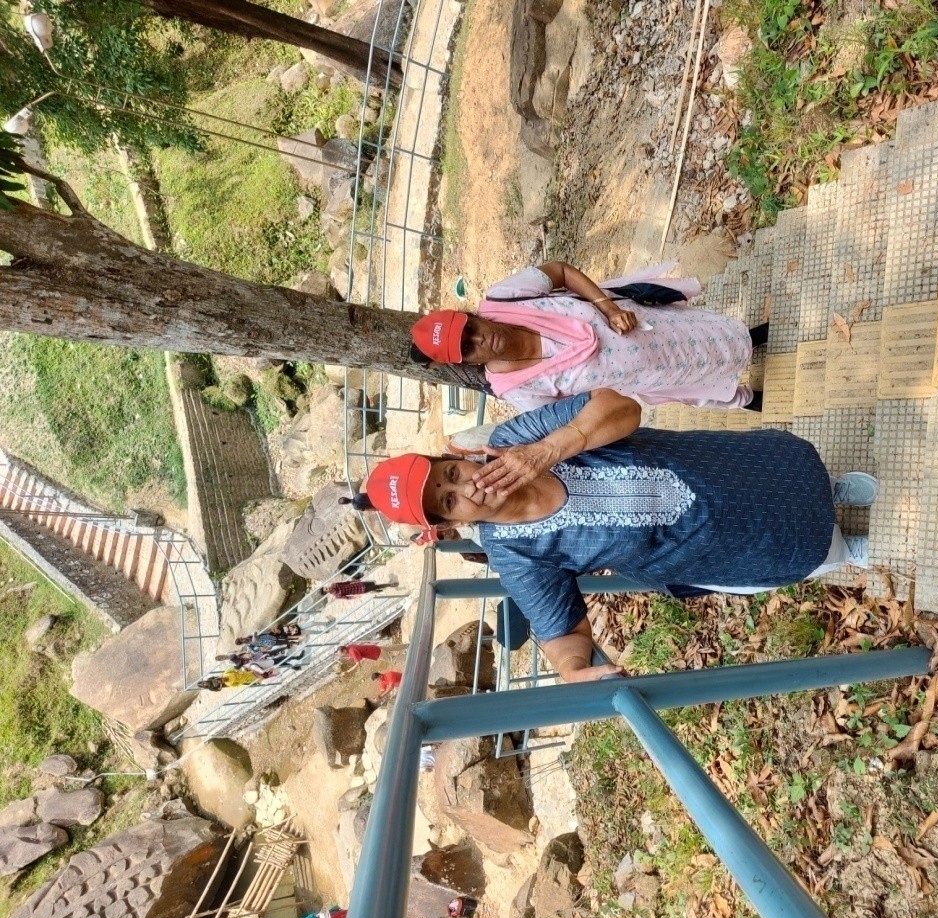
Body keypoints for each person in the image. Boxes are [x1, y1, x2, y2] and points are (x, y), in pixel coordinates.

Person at [356, 388, 878, 683]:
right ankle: (844, 548)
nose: (468, 486)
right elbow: (562, 633)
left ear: (456, 459)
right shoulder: (513, 553)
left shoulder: (515, 439)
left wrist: (548, 449)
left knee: (777, 472)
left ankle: (829, 487)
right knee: (790, 545)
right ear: (449, 523)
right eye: (449, 500)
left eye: (451, 473)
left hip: (708, 463)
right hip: (700, 546)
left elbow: (620, 407)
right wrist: (574, 671)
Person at [409, 261, 769, 412]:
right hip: (647, 375)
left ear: (471, 316)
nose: (480, 340)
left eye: (471, 330)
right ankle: (751, 399)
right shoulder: (515, 389)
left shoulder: (504, 298)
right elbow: (571, 412)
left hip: (648, 325)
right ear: (468, 362)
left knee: (706, 334)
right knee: (698, 387)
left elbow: (560, 271)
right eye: (468, 348)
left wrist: (607, 308)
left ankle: (751, 340)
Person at [323, 579, 399, 600]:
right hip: (360, 590)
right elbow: (347, 598)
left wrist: (355, 580)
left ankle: (373, 590)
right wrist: (356, 597)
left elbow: (346, 582)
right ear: (327, 592)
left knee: (372, 583)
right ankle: (390, 585)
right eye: (326, 589)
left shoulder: (334, 584)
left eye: (326, 587)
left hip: (359, 584)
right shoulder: (337, 595)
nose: (328, 587)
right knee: (377, 586)